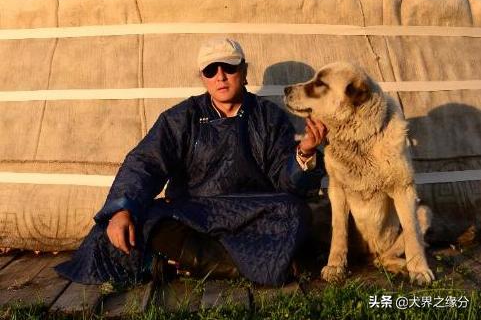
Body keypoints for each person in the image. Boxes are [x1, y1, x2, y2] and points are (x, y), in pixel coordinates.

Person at [56, 38, 327, 287]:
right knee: (137, 218)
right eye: (211, 71)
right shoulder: (181, 118)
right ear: (203, 78)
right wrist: (122, 210)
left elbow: (286, 180)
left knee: (295, 211)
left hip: (250, 212)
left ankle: (189, 264)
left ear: (244, 72)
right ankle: (241, 265)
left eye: (229, 68)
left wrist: (303, 154)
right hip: (194, 213)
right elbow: (145, 162)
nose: (220, 76)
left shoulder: (268, 117)